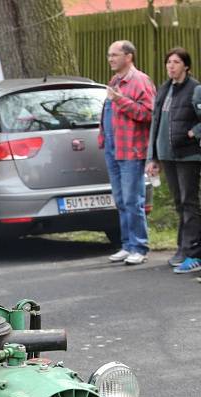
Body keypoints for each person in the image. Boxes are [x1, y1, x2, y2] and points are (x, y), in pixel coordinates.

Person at [145, 48, 201, 273]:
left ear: (186, 66)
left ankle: (193, 253)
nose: (171, 66)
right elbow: (155, 124)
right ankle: (183, 248)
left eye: (176, 62)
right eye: (168, 62)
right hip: (167, 155)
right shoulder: (164, 89)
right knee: (180, 203)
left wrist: (193, 133)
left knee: (189, 202)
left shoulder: (195, 89)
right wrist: (153, 157)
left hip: (188, 155)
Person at [101, 40, 155, 266]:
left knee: (133, 200)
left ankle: (139, 246)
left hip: (131, 149)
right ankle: (127, 244)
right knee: (121, 200)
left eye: (115, 55)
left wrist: (120, 100)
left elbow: (148, 113)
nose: (110, 59)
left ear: (128, 56)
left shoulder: (140, 81)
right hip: (114, 148)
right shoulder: (115, 81)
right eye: (109, 55)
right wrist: (102, 136)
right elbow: (107, 111)